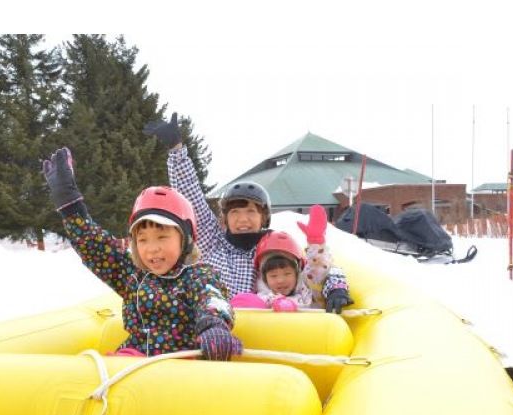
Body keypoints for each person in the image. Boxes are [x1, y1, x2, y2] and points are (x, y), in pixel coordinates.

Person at [42, 147, 241, 360]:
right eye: (143, 240)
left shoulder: (197, 275)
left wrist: (214, 326)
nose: (152, 248)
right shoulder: (133, 275)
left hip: (182, 365)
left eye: (162, 237)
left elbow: (211, 298)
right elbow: (96, 247)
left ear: (185, 240)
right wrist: (70, 205)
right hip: (135, 360)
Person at [144, 113, 352, 313]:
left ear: (263, 217)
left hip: (262, 329)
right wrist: (176, 149)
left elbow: (316, 270)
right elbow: (191, 197)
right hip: (215, 323)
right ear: (225, 218)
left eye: (251, 212)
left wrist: (336, 288)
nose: (243, 219)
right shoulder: (212, 243)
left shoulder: (274, 247)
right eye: (235, 212)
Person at [249, 204, 336, 312]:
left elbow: (318, 269)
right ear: (264, 278)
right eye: (273, 276)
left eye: (287, 273)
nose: (280, 280)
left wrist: (316, 243)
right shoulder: (263, 298)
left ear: (297, 272)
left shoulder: (306, 287)